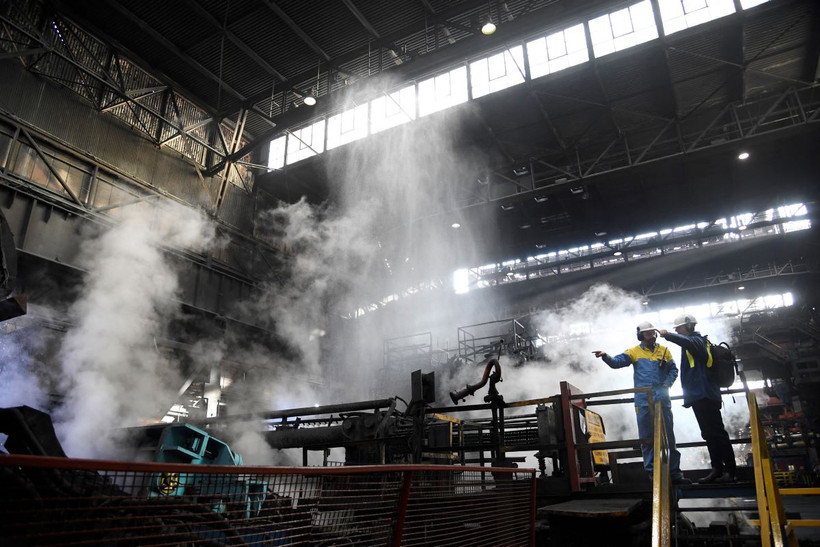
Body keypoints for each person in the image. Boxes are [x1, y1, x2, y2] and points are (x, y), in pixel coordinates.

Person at [594, 321, 690, 484]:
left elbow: (673, 370)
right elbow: (617, 363)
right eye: (647, 333)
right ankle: (653, 474)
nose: (651, 335)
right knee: (647, 438)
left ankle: (674, 473)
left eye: (653, 333)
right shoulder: (634, 352)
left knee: (669, 438)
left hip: (662, 400)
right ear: (641, 335)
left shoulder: (664, 350)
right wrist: (605, 356)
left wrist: (667, 384)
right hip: (644, 402)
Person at [659, 314, 737, 484]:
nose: (677, 330)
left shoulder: (697, 341)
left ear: (688, 326)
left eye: (679, 328)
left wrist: (669, 336)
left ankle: (730, 471)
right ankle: (717, 470)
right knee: (709, 434)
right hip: (699, 396)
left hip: (705, 394)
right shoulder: (694, 344)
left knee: (717, 433)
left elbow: (688, 342)